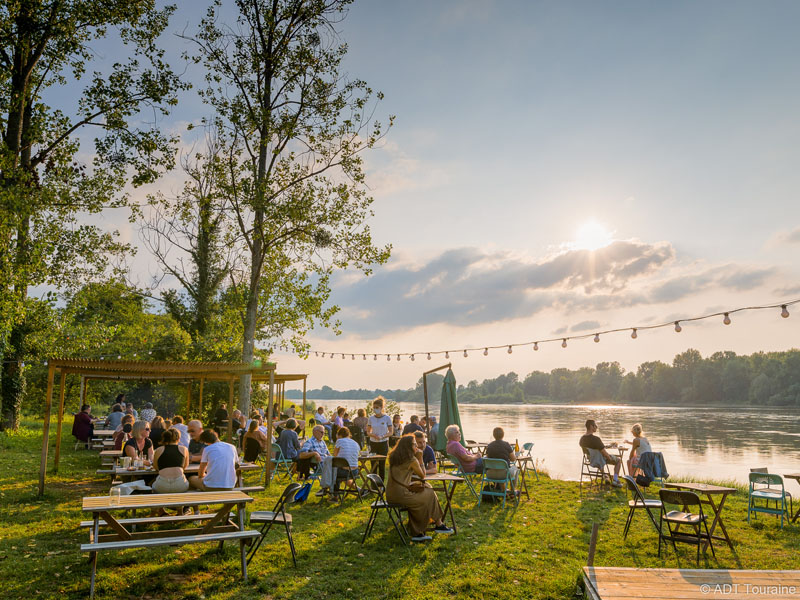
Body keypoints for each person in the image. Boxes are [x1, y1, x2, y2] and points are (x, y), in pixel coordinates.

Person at [385, 435, 453, 542]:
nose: (417, 446)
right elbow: (423, 475)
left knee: (427, 488)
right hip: (402, 495)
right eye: (415, 444)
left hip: (390, 495)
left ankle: (435, 525)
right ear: (409, 446)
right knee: (429, 492)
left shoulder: (394, 457)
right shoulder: (412, 460)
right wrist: (420, 458)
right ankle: (433, 526)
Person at [579, 419, 622, 487]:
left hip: (590, 460)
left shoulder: (582, 439)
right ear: (591, 426)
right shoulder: (596, 439)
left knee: (598, 457)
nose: (596, 427)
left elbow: (593, 449)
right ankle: (615, 480)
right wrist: (609, 458)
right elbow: (604, 453)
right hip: (598, 460)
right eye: (595, 425)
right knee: (618, 460)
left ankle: (605, 475)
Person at [151, 427, 190, 493]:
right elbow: (185, 466)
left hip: (162, 485)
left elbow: (156, 467)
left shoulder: (159, 450)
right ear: (178, 438)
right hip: (180, 485)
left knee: (151, 484)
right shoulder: (184, 449)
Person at [366, 397, 392, 480]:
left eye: (377, 408)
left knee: (381, 465)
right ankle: (373, 485)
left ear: (381, 407)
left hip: (383, 443)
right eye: (374, 408)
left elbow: (391, 432)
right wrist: (374, 435)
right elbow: (368, 432)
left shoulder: (387, 418)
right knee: (373, 465)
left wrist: (383, 436)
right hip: (373, 443)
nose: (375, 409)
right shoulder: (371, 418)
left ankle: (381, 486)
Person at [298, 425, 331, 489]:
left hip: (328, 463)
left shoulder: (323, 442)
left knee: (340, 468)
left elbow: (328, 454)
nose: (323, 434)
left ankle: (331, 490)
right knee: (337, 471)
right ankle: (330, 490)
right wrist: (314, 453)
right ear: (315, 432)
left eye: (324, 433)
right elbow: (301, 455)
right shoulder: (309, 442)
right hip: (320, 465)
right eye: (321, 432)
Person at [332, 426, 361, 498]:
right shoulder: (355, 443)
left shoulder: (339, 441)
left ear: (339, 435)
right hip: (355, 471)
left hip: (344, 471)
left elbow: (335, 457)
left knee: (332, 471)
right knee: (342, 473)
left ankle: (335, 496)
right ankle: (359, 490)